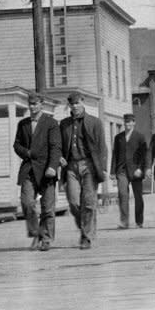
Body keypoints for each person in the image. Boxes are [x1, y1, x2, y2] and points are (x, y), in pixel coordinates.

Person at [13, 93, 61, 251]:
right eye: (30, 104)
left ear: (42, 104)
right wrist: (26, 153)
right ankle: (36, 232)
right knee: (27, 202)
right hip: (29, 169)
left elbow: (55, 147)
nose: (32, 107)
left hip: (46, 170)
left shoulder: (51, 123)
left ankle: (46, 238)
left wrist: (53, 167)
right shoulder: (23, 124)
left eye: (35, 104)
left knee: (47, 208)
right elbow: (17, 145)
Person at [60, 91, 108, 249]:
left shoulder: (95, 122)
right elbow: (59, 146)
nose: (75, 106)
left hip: (89, 166)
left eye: (77, 103)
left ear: (83, 103)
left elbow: (102, 147)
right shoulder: (64, 124)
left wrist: (104, 168)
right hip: (71, 167)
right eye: (72, 104)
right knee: (73, 202)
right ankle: (86, 227)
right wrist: (60, 157)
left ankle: (86, 236)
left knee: (88, 201)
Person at [111, 113, 150, 229]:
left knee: (138, 196)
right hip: (122, 170)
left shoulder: (140, 137)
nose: (127, 124)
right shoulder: (118, 138)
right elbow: (115, 155)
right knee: (123, 195)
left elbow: (145, 155)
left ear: (134, 123)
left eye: (130, 122)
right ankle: (124, 221)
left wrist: (141, 169)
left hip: (136, 171)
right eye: (126, 122)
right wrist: (112, 172)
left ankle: (139, 221)